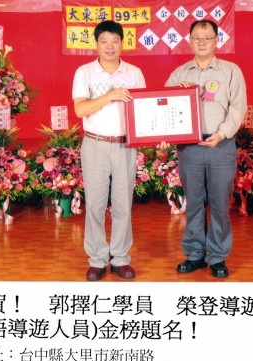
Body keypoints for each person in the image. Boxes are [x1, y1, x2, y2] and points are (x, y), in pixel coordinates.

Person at [165, 19, 247, 278]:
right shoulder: (179, 74)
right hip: (189, 147)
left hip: (221, 145)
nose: (202, 42)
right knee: (194, 204)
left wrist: (221, 134)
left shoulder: (231, 71)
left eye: (207, 37)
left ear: (216, 41)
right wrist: (174, 97)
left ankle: (218, 257)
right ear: (189, 41)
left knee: (221, 204)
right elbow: (162, 106)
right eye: (197, 38)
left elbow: (238, 108)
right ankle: (195, 255)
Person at [72, 20, 146, 281]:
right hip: (95, 144)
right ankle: (97, 259)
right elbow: (80, 109)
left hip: (125, 145)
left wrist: (158, 134)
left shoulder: (134, 73)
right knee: (95, 204)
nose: (110, 46)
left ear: (122, 43)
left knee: (123, 205)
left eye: (115, 41)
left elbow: (143, 110)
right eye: (104, 41)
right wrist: (110, 95)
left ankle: (120, 258)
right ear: (96, 44)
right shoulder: (85, 72)